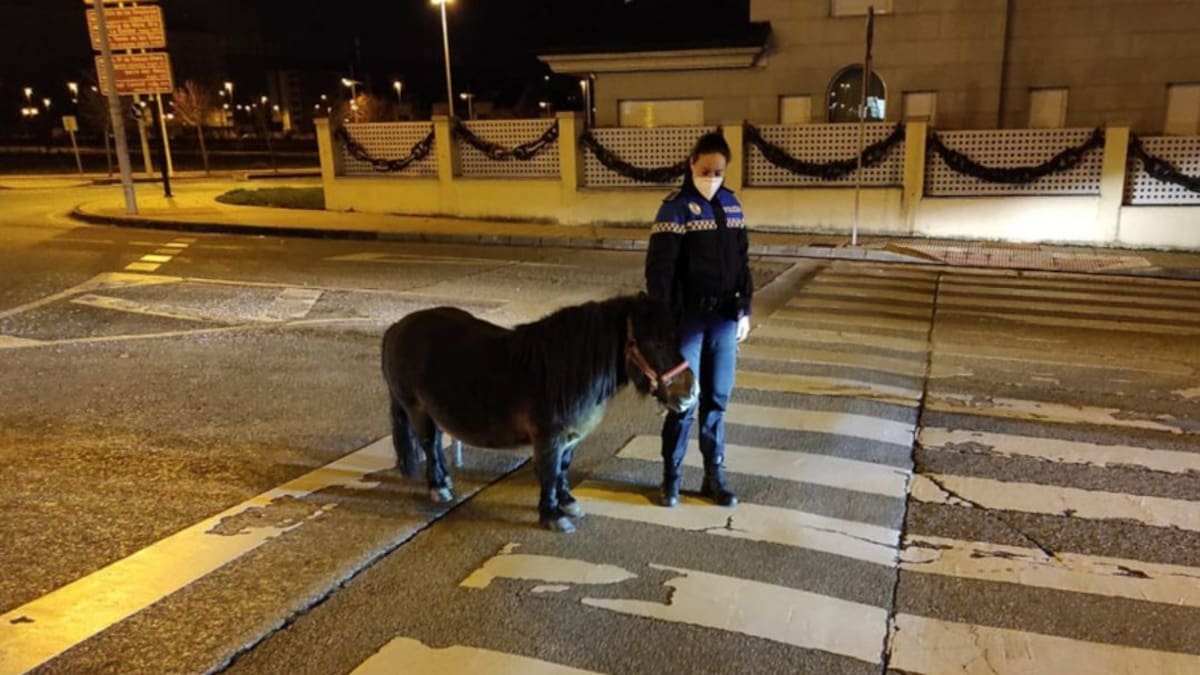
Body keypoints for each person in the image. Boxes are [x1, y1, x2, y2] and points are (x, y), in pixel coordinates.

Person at [645, 131, 752, 508]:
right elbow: (659, 273)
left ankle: (714, 476)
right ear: (691, 164)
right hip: (686, 322)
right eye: (706, 169)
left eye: (719, 170)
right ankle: (670, 479)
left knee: (717, 400)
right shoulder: (674, 209)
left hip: (723, 320)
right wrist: (664, 322)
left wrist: (746, 309)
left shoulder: (731, 205)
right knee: (683, 400)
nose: (712, 176)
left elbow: (742, 263)